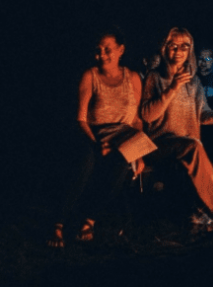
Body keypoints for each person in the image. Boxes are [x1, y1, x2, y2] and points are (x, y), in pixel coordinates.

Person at [48, 28, 155, 247]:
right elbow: (81, 119)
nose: (102, 55)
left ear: (121, 50)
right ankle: (58, 222)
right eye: (98, 51)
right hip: (94, 133)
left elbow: (136, 121)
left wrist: (138, 152)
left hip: (123, 136)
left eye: (108, 50)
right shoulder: (91, 76)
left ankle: (89, 219)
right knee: (86, 162)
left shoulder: (133, 77)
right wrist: (98, 144)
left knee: (121, 164)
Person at [140, 27, 213, 221]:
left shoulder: (194, 82)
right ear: (165, 49)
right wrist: (173, 87)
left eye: (184, 47)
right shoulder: (155, 78)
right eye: (173, 46)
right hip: (158, 145)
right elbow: (147, 115)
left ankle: (200, 216)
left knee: (193, 147)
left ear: (190, 52)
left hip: (187, 146)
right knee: (194, 146)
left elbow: (202, 114)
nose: (178, 51)